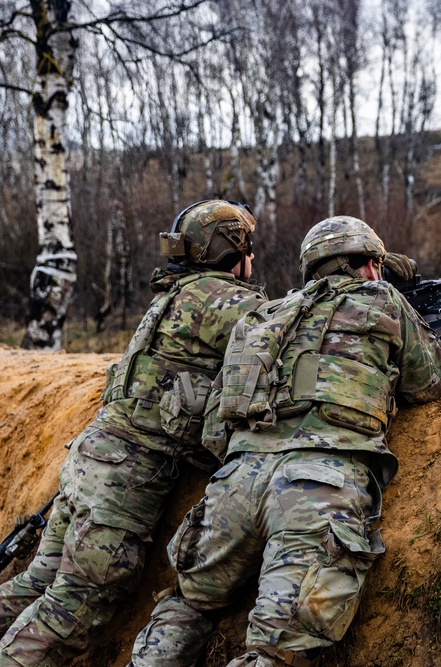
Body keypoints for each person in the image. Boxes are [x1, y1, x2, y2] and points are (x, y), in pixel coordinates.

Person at [129, 216, 441, 667]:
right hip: (317, 490)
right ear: (370, 265)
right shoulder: (384, 300)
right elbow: (430, 382)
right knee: (278, 650)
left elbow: (217, 424)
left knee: (189, 603)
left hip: (236, 484)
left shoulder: (265, 314)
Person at [0, 200, 267, 666]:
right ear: (234, 248)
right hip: (122, 485)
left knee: (36, 583)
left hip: (89, 460)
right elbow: (299, 337)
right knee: (72, 613)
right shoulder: (231, 303)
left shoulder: (172, 294)